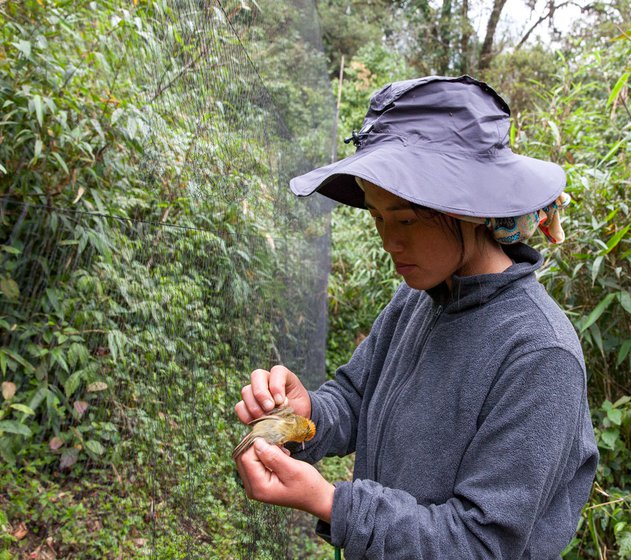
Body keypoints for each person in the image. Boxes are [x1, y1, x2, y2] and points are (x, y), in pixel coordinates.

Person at [234, 75, 599, 559]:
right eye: (377, 216)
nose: (390, 241)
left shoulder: (539, 354)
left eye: (405, 219)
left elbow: (481, 544)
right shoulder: (419, 297)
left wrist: (332, 503)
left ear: (470, 210)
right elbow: (354, 397)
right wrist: (306, 417)